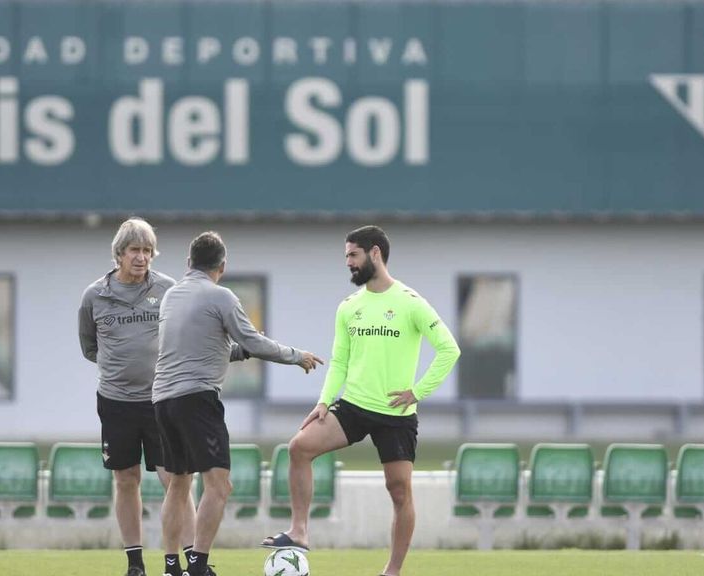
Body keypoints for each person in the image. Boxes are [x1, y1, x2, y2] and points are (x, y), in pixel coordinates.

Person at [262, 225, 460, 576]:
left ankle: (392, 570)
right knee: (298, 447)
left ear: (375, 254)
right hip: (352, 406)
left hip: (396, 414)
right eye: (346, 257)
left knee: (399, 492)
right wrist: (324, 401)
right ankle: (300, 530)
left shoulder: (410, 303)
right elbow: (339, 361)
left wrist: (418, 391)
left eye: (353, 255)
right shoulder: (348, 307)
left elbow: (449, 350)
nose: (349, 263)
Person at [153, 231, 324, 576]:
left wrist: (240, 351)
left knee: (179, 482)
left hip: (162, 400)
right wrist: (296, 356)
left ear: (189, 263)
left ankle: (172, 567)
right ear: (222, 265)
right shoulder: (221, 297)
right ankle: (198, 566)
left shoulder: (172, 296)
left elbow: (206, 349)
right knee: (219, 485)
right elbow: (252, 340)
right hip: (197, 399)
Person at [78, 217, 195, 576]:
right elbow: (89, 346)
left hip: (162, 399)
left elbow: (187, 335)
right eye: (135, 250)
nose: (142, 257)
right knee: (125, 478)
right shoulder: (95, 295)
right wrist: (120, 366)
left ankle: (192, 558)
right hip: (115, 402)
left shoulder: (169, 289)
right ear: (119, 254)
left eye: (147, 250)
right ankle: (135, 563)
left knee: (174, 478)